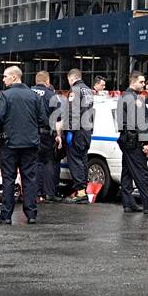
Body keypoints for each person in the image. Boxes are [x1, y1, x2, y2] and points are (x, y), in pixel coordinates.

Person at [0, 66, 48, 225]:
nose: (3, 79)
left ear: (14, 77)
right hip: (30, 144)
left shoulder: (5, 96)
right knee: (30, 179)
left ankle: (6, 215)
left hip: (10, 144)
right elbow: (43, 120)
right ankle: (31, 214)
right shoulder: (34, 96)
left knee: (8, 179)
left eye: (5, 76)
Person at [116, 71, 148, 213]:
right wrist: (145, 142)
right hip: (134, 140)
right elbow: (141, 122)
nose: (143, 85)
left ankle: (128, 203)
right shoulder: (136, 99)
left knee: (127, 172)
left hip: (125, 139)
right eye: (141, 82)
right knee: (141, 172)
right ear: (133, 81)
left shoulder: (123, 97)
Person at [63, 68, 94, 203]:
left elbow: (72, 112)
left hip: (77, 131)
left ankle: (81, 193)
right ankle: (83, 190)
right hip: (87, 131)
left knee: (75, 161)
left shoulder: (75, 91)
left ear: (71, 79)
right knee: (83, 161)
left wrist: (69, 131)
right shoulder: (88, 90)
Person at [31, 72, 62, 201]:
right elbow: (58, 119)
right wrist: (58, 136)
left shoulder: (28, 93)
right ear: (47, 81)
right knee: (49, 162)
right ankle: (49, 193)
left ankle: (35, 193)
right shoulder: (52, 96)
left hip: (30, 133)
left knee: (34, 163)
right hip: (46, 134)